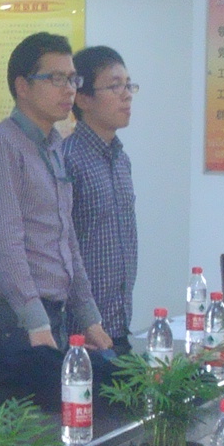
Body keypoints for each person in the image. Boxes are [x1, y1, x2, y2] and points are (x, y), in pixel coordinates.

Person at [0, 32, 113, 407]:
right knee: (35, 429)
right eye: (55, 78)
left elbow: (67, 239)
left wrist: (90, 317)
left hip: (53, 316)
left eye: (72, 79)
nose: (68, 89)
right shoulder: (0, 146)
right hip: (15, 323)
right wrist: (35, 321)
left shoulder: (54, 146)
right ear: (22, 86)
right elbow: (4, 246)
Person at [61, 45, 139, 353]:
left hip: (118, 327)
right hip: (79, 335)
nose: (127, 95)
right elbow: (60, 247)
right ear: (82, 98)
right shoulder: (67, 159)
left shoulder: (121, 160)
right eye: (115, 86)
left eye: (129, 85)